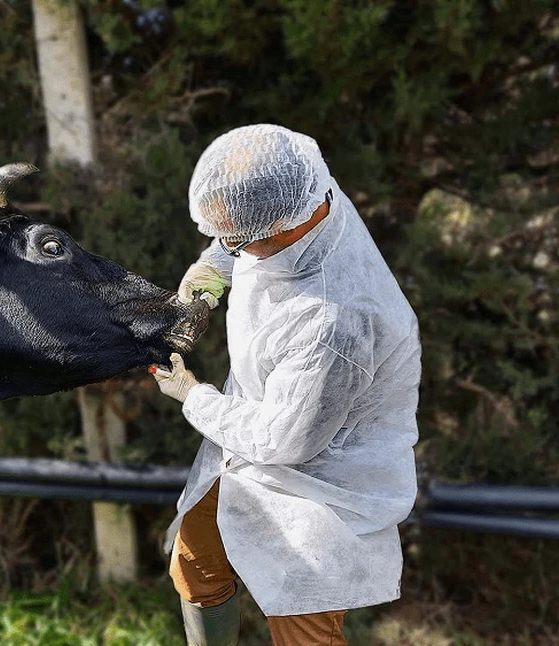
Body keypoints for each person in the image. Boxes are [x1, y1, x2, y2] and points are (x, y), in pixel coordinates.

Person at [151, 124, 421, 646]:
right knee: (195, 562)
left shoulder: (337, 321)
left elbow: (285, 441)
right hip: (251, 438)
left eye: (236, 238)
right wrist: (209, 276)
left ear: (284, 221)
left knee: (303, 628)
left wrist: (193, 394)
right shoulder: (305, 192)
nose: (228, 246)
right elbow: (239, 234)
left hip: (325, 484)